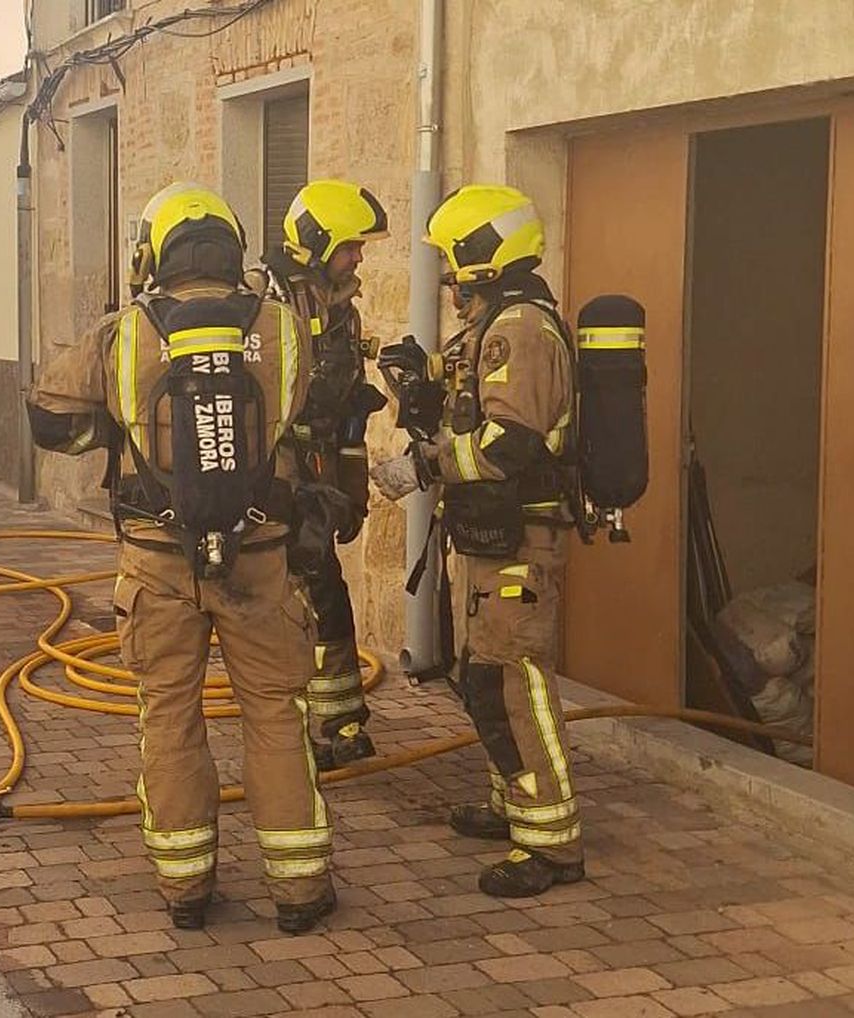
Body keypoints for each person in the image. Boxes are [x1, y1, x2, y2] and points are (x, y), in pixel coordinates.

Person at [27, 183, 334, 933]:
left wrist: (121, 439)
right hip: (261, 558)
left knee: (168, 716)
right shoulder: (283, 328)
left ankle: (186, 887)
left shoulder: (123, 334)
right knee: (274, 714)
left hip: (157, 562)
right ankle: (299, 889)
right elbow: (307, 416)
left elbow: (48, 417)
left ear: (154, 252)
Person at [371, 184, 585, 897]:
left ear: (484, 256)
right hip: (495, 539)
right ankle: (510, 802)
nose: (452, 279)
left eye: (456, 262)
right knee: (487, 674)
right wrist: (420, 370)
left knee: (515, 681)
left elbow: (508, 442)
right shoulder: (498, 322)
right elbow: (470, 382)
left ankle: (552, 842)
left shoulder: (521, 328)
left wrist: (423, 465)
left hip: (522, 537)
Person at [266, 180, 390, 770]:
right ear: (317, 242)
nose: (359, 256)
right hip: (278, 480)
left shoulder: (342, 308)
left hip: (320, 477)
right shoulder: (267, 304)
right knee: (289, 607)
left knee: (328, 596)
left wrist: (353, 490)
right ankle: (291, 735)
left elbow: (346, 416)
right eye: (350, 246)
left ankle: (338, 723)